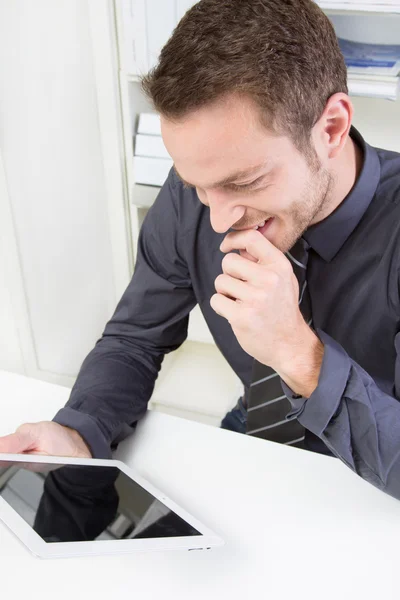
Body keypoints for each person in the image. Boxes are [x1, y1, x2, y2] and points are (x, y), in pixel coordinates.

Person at [1, 0, 400, 499]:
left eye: (246, 181)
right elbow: (135, 338)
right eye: (198, 188)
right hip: (255, 432)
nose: (217, 219)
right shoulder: (205, 183)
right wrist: (80, 430)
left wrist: (299, 355)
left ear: (332, 129)